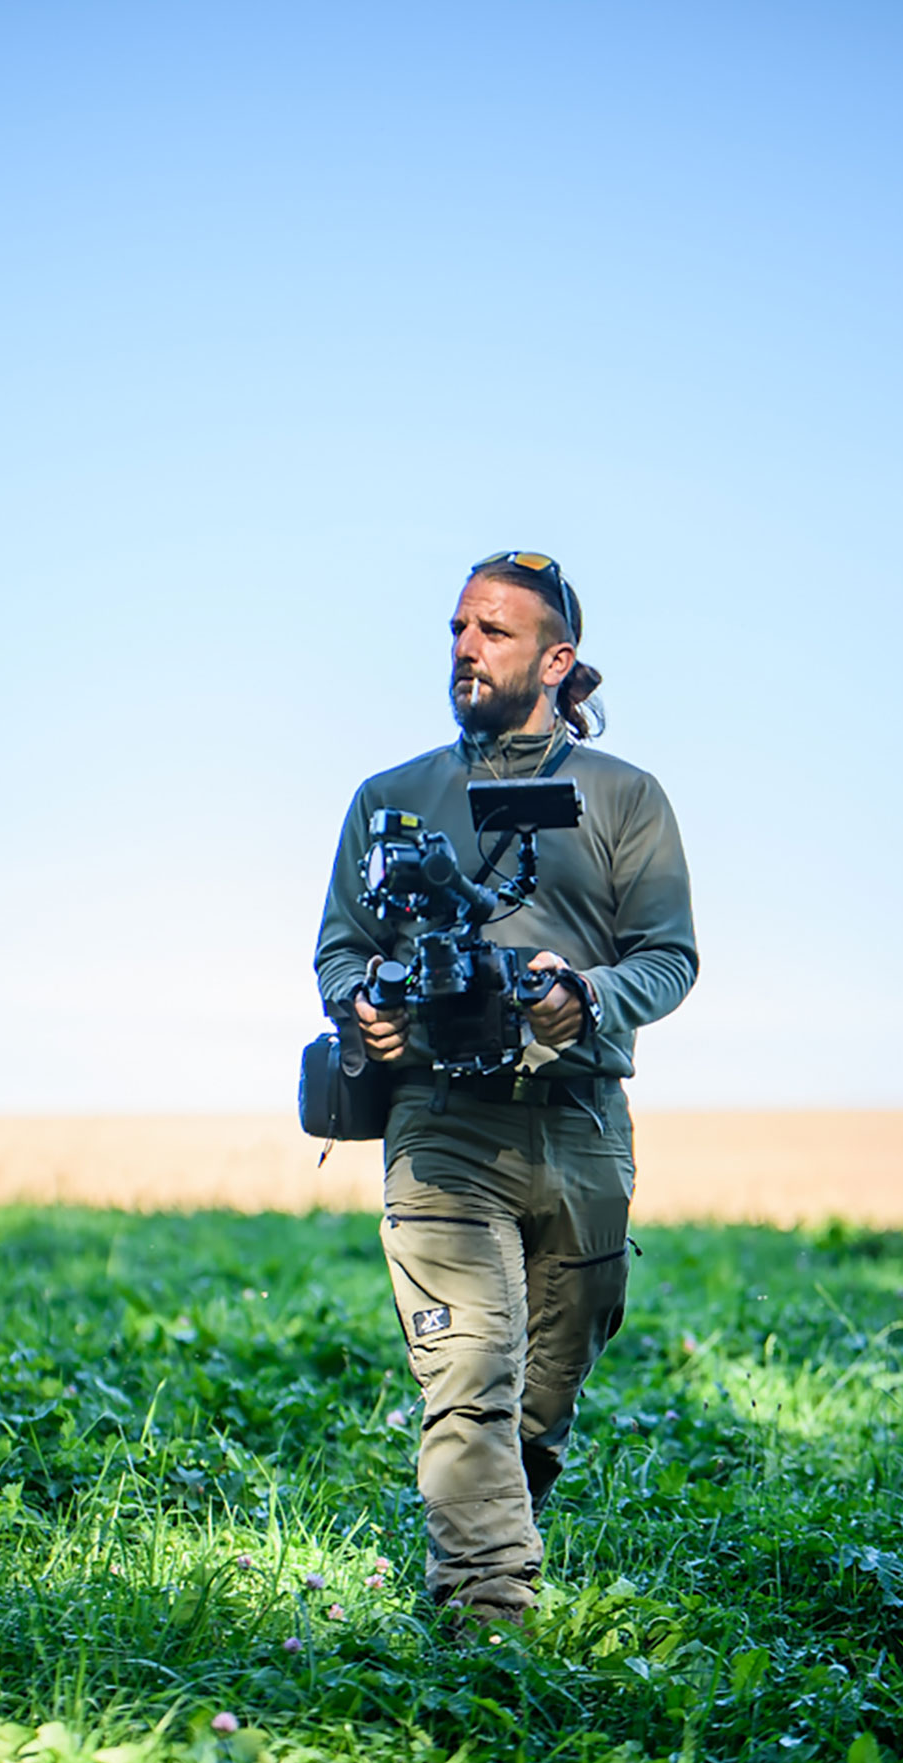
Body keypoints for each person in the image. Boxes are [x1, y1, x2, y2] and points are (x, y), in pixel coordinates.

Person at [314, 550, 698, 1626]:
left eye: (493, 631)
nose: (466, 648)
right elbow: (341, 948)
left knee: (542, 1394)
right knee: (467, 1378)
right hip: (440, 1125)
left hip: (582, 1126)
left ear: (556, 659)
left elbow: (668, 956)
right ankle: (488, 1628)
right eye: (457, 628)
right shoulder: (390, 798)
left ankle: (492, 1531)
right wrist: (362, 1004)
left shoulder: (624, 797)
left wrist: (587, 997)